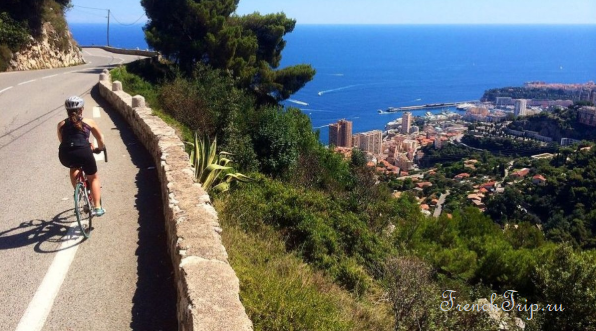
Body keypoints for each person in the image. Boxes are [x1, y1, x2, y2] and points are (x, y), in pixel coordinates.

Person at [57, 96, 106, 216]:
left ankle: (78, 191)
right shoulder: (89, 122)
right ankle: (98, 208)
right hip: (84, 151)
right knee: (93, 178)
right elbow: (100, 138)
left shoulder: (61, 124)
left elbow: (61, 140)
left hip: (65, 154)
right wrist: (99, 148)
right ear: (82, 109)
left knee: (73, 167)